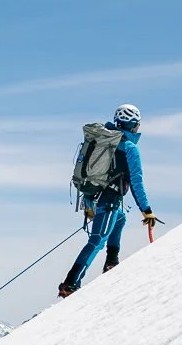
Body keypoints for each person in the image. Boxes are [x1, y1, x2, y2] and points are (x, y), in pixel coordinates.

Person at [57, 104, 156, 298]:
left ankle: (112, 263)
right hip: (110, 199)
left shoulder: (102, 140)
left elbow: (90, 174)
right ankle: (71, 283)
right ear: (132, 125)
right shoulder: (129, 147)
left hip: (95, 197)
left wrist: (88, 205)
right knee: (97, 240)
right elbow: (136, 181)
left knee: (120, 220)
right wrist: (146, 209)